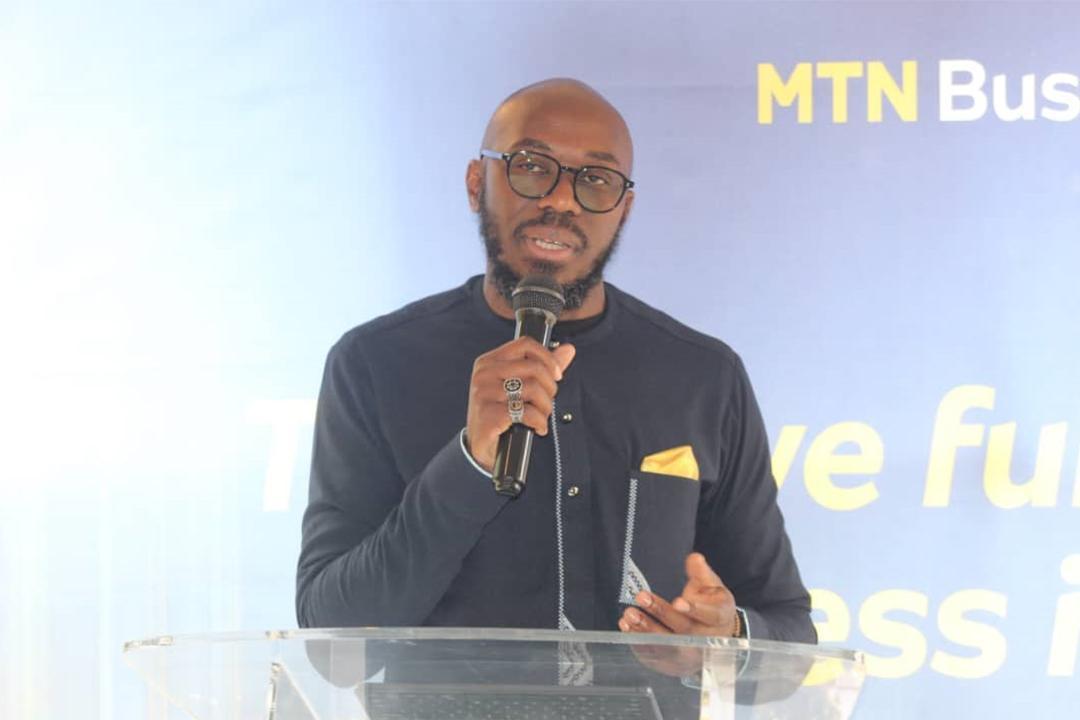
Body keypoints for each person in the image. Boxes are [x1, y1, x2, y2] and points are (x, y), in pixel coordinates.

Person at [296, 78, 815, 644]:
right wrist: (470, 462)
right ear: (476, 183)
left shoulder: (702, 376)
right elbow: (330, 629)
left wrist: (723, 636)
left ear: (624, 210)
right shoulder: (376, 364)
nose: (562, 200)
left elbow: (788, 626)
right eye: (531, 166)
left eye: (596, 179)